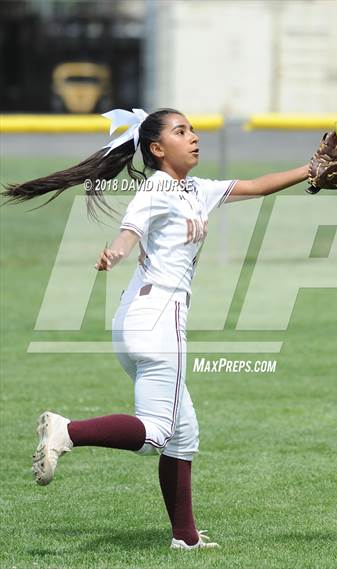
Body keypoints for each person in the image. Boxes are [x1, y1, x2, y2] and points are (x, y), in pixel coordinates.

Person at [3, 107, 309, 550]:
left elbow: (258, 186)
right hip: (160, 321)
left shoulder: (195, 190)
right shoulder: (157, 188)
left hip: (137, 321)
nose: (194, 137)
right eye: (181, 131)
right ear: (158, 148)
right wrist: (116, 252)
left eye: (193, 130)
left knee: (183, 432)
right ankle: (67, 430)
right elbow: (130, 230)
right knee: (156, 434)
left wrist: (314, 168)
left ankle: (185, 538)